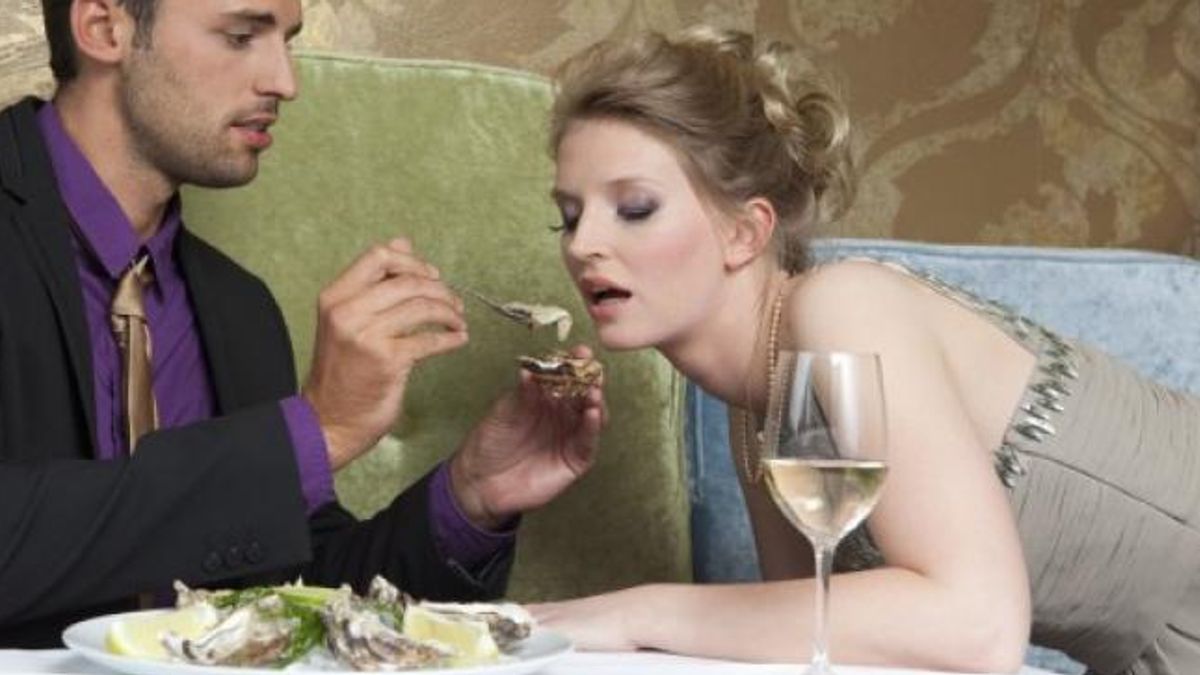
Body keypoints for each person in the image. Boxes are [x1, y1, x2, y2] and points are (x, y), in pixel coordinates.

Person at [528, 26, 1200, 675]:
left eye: (635, 208)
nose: (583, 245)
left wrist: (639, 611)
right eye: (570, 215)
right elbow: (815, 638)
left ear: (745, 232)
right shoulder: (757, 400)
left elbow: (977, 625)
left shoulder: (841, 305)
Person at [0, 0, 605, 646]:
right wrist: (314, 432)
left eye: (286, 41)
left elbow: (294, 593)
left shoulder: (239, 308)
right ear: (103, 27)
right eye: (241, 36)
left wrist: (469, 499)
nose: (285, 82)